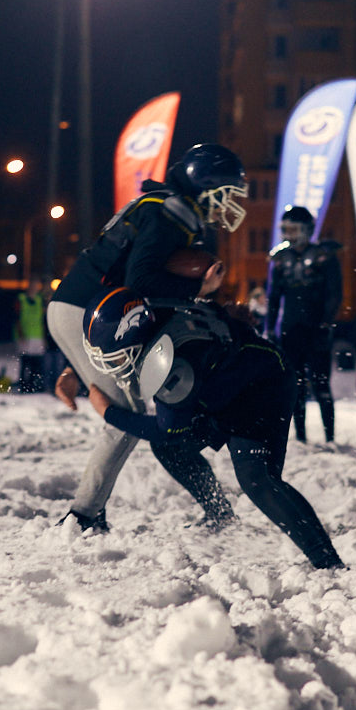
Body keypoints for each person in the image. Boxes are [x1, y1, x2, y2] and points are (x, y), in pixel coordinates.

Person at [45, 143, 248, 531]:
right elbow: (140, 281)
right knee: (127, 415)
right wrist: (197, 290)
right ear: (204, 186)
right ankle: (84, 516)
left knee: (136, 412)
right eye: (226, 193)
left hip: (88, 311)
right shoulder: (169, 212)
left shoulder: (167, 207)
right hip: (85, 311)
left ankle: (92, 513)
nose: (229, 204)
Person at [82, 288, 344, 569]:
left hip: (263, 389)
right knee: (170, 449)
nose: (115, 366)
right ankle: (219, 512)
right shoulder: (159, 312)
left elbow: (166, 429)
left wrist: (108, 412)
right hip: (223, 389)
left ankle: (327, 561)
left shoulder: (172, 361)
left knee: (258, 479)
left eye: (117, 358)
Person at [265, 205, 343, 443]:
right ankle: (300, 436)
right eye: (285, 229)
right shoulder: (280, 257)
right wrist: (269, 327)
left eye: (293, 228)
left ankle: (329, 436)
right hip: (291, 329)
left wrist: (327, 323)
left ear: (306, 229)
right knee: (295, 386)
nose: (288, 234)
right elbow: (274, 296)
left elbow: (334, 294)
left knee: (321, 384)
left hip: (317, 327)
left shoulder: (324, 256)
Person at [14, 280, 47, 393]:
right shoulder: (21, 300)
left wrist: (44, 337)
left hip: (37, 337)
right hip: (25, 336)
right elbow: (17, 317)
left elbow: (42, 319)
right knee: (25, 363)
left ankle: (34, 385)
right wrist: (20, 334)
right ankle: (24, 386)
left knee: (36, 364)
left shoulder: (39, 300)